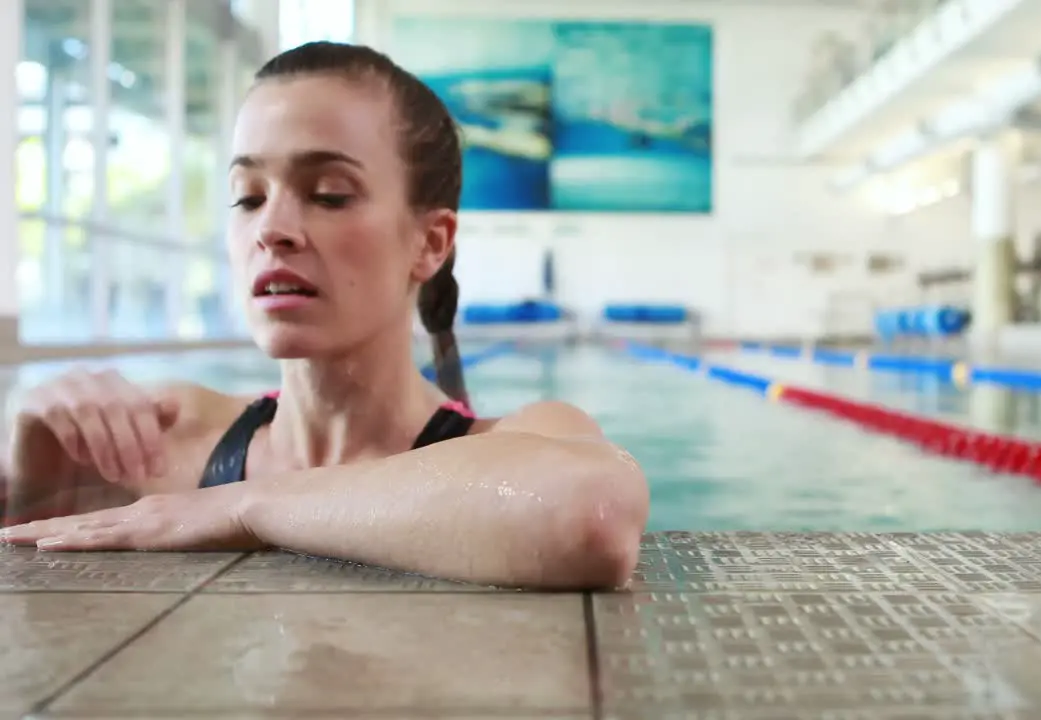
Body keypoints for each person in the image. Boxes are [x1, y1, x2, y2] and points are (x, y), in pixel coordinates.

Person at [0, 41, 649, 591]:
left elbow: (589, 513)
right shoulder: (160, 441)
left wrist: (243, 507)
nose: (272, 230)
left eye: (329, 194)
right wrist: (29, 471)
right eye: (248, 197)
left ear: (430, 242)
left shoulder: (519, 443)